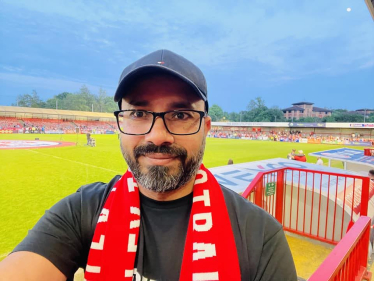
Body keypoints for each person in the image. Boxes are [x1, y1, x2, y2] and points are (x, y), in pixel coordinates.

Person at [0, 50, 297, 281]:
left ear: (206, 127)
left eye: (180, 115)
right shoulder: (81, 212)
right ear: (120, 123)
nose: (158, 136)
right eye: (139, 112)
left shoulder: (258, 235)